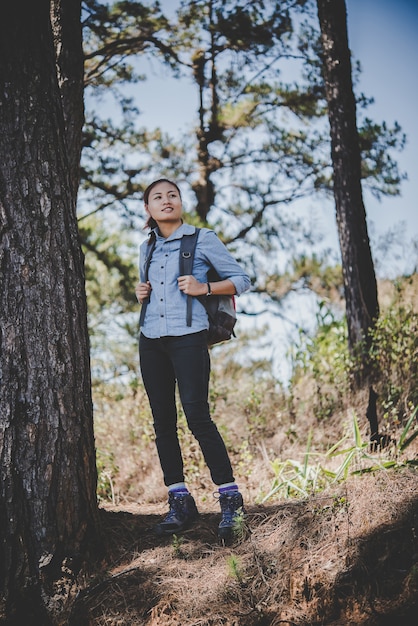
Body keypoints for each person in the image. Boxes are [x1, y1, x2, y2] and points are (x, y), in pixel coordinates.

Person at [135, 178, 251, 541]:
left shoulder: (203, 238)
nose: (166, 200)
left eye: (172, 195)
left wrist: (206, 288)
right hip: (150, 340)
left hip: (189, 338)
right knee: (162, 422)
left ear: (180, 203)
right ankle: (179, 500)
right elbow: (152, 292)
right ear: (148, 209)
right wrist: (141, 293)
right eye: (158, 197)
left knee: (197, 415)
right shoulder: (146, 247)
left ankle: (231, 501)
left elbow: (244, 279)